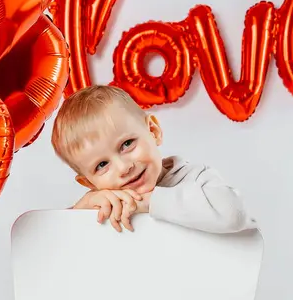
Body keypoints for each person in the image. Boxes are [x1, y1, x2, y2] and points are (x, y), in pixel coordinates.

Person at [51, 85, 257, 234]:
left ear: (153, 131)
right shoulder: (104, 205)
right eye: (102, 165)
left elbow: (235, 215)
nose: (124, 167)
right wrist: (80, 211)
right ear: (89, 183)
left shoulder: (195, 179)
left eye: (127, 144)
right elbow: (52, 247)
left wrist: (147, 202)